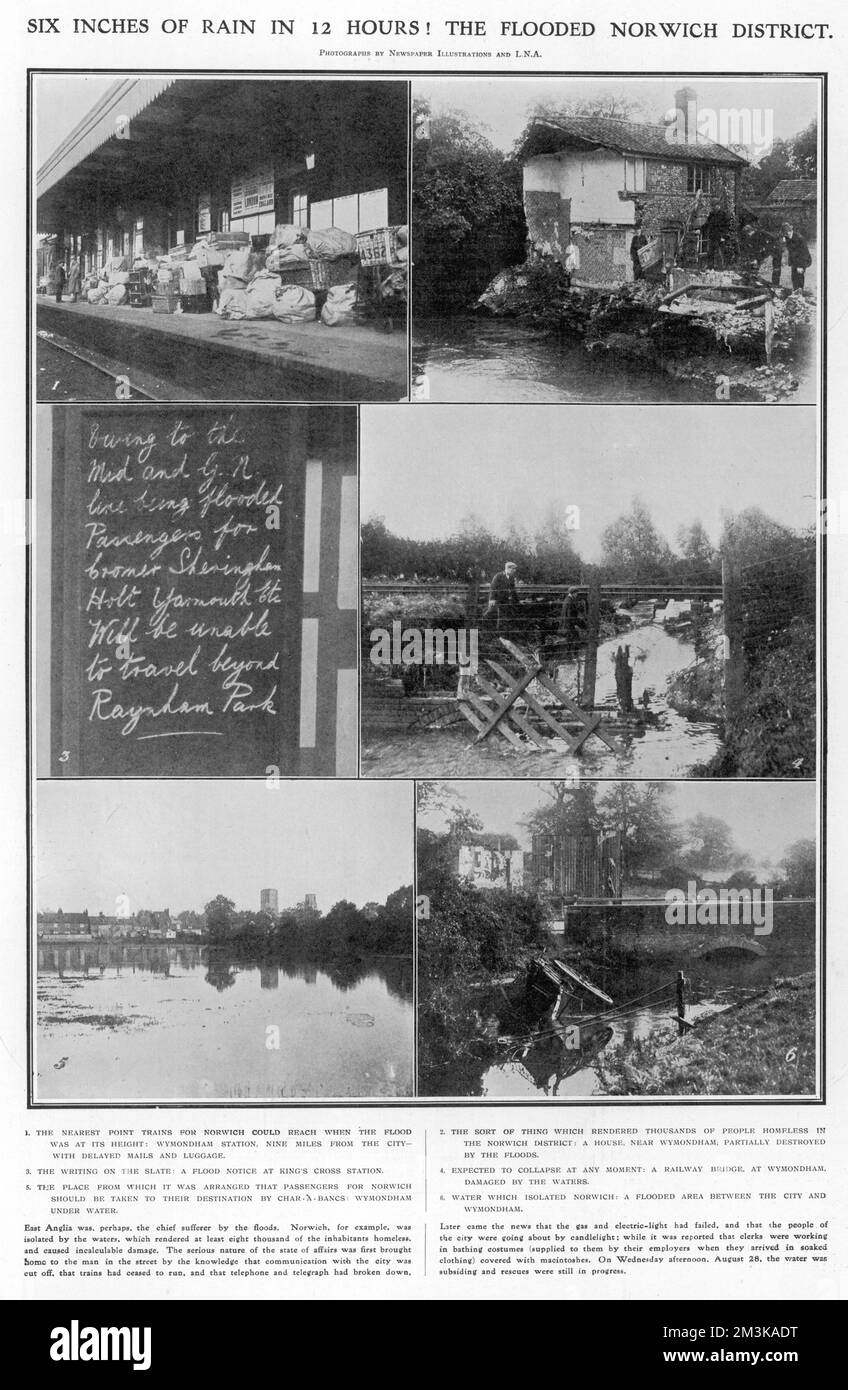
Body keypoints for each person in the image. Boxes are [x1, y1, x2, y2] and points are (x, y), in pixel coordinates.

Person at [485, 561, 521, 630]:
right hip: (499, 600)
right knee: (493, 614)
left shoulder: (511, 578)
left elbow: (513, 590)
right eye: (513, 569)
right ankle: (495, 630)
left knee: (508, 615)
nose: (514, 571)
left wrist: (517, 601)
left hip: (507, 601)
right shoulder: (498, 576)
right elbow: (493, 587)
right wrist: (492, 599)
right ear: (509, 568)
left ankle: (506, 629)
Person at [780, 222, 812, 291]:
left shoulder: (800, 238)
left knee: (799, 277)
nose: (785, 235)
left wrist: (800, 266)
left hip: (802, 260)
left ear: (790, 231)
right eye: (784, 234)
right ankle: (795, 292)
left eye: (786, 233)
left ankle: (800, 295)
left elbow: (804, 253)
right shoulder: (787, 237)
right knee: (794, 277)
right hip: (795, 260)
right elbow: (789, 249)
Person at [676, 969, 689, 1038]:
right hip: (680, 1002)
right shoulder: (680, 982)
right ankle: (681, 1032)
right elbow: (679, 988)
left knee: (681, 1015)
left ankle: (681, 1032)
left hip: (681, 1002)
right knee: (681, 1015)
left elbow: (683, 982)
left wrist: (683, 980)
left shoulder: (681, 981)